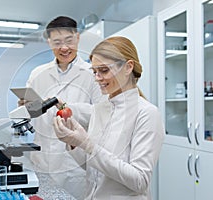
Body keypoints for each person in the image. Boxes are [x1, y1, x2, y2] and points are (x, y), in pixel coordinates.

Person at [53, 36, 165, 200]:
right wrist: (73, 142)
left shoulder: (147, 113)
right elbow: (94, 168)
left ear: (128, 67)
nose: (97, 78)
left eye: (104, 70)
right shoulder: (100, 110)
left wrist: (88, 144)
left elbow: (140, 181)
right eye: (94, 71)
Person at [21, 16, 105, 199]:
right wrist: (26, 107)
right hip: (42, 160)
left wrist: (66, 107)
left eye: (69, 41)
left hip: (73, 164)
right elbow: (29, 114)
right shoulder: (37, 73)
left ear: (77, 38)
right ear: (49, 42)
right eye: (57, 42)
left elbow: (102, 114)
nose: (64, 48)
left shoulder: (93, 74)